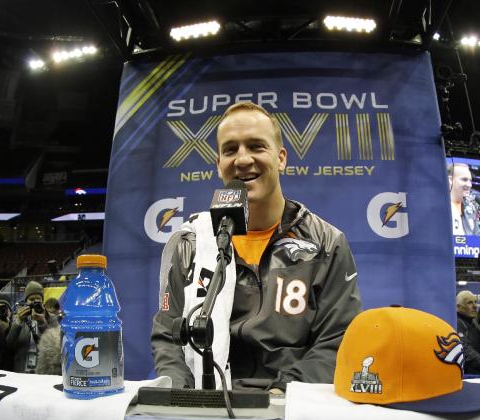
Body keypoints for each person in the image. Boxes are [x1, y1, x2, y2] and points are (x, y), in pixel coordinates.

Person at [151, 101, 362, 391]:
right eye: (230, 150)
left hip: (290, 410)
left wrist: (280, 394)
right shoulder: (191, 242)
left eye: (256, 146)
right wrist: (181, 396)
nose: (242, 159)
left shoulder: (326, 243)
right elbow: (168, 334)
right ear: (218, 165)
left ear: (281, 158)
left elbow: (337, 338)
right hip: (205, 406)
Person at [7, 281, 58, 373]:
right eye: (31, 299)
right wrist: (18, 322)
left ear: (42, 301)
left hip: (43, 371)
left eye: (38, 299)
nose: (34, 302)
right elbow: (9, 345)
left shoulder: (52, 318)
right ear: (26, 301)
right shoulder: (18, 317)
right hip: (21, 370)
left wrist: (42, 323)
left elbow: (55, 346)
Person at [448, 163, 480, 236]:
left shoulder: (470, 208)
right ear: (450, 180)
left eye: (470, 181)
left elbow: (478, 237)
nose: (469, 185)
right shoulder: (439, 208)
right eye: (464, 180)